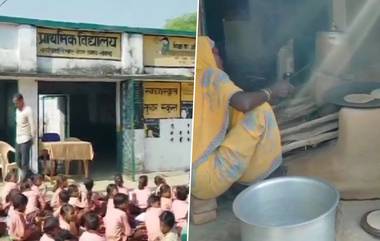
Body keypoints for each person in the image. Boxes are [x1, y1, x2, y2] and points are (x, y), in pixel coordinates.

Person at [191, 36, 293, 200]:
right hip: (208, 179)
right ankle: (260, 177)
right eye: (215, 53)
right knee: (261, 110)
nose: (220, 58)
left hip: (191, 180)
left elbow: (235, 107)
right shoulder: (210, 75)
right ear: (206, 55)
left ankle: (243, 177)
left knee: (241, 114)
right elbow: (244, 103)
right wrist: (272, 91)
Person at [13, 93, 36, 182]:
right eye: (14, 103)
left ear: (21, 101)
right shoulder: (17, 111)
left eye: (17, 103)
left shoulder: (28, 110)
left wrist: (33, 138)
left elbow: (32, 124)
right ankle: (32, 175)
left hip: (26, 139)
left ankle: (23, 182)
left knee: (24, 162)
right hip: (18, 139)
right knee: (18, 161)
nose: (16, 105)